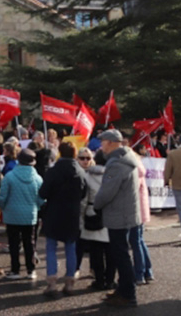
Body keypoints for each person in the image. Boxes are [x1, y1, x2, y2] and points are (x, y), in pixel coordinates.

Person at [93, 129, 141, 308]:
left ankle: (128, 294)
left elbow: (107, 191)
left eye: (103, 141)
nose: (101, 145)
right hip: (125, 212)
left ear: (112, 143)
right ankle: (123, 290)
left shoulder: (116, 164)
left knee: (121, 255)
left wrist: (96, 205)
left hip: (119, 214)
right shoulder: (126, 158)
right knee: (121, 254)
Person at [39, 141, 87, 296]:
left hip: (54, 211)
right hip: (72, 212)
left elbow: (43, 193)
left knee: (51, 246)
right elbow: (84, 193)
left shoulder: (53, 171)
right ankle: (70, 282)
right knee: (70, 246)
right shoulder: (80, 171)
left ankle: (52, 282)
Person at [0, 148, 44, 281]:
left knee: (13, 243)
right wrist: (36, 207)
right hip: (30, 215)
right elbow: (41, 199)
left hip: (12, 215)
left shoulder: (10, 176)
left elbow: (2, 197)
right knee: (29, 243)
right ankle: (31, 270)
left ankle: (15, 269)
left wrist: (3, 208)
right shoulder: (38, 178)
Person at [77, 147, 115, 291]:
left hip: (92, 213)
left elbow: (83, 201)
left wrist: (81, 218)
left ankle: (99, 280)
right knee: (111, 251)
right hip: (111, 213)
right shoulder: (113, 176)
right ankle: (110, 280)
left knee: (96, 251)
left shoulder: (87, 177)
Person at [130, 152, 154, 285]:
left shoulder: (133, 171)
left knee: (136, 242)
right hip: (141, 209)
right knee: (139, 240)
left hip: (135, 209)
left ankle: (139, 273)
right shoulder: (139, 167)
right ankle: (147, 271)